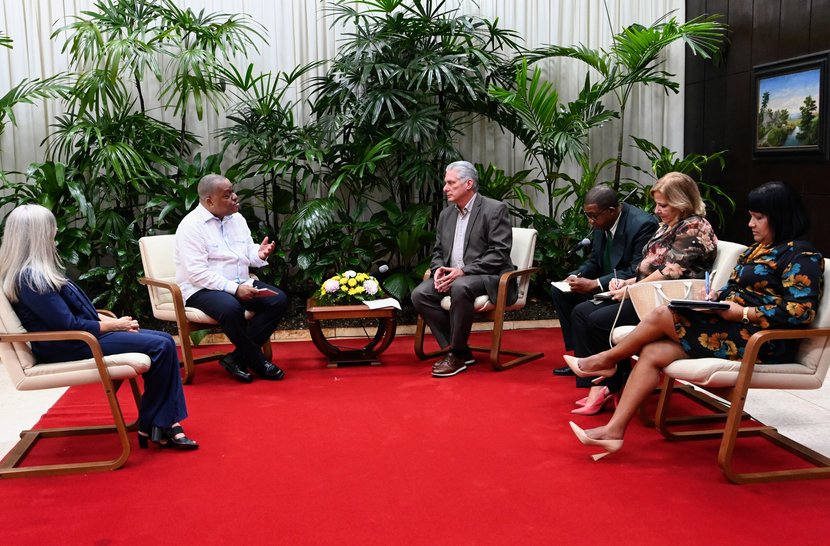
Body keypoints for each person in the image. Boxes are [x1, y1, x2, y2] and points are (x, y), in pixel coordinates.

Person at [565, 181, 824, 458]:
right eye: (751, 216)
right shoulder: (757, 249)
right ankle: (613, 432)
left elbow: (800, 311)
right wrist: (715, 296)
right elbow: (737, 289)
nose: (750, 223)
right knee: (653, 351)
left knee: (665, 313)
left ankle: (606, 360)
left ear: (782, 217)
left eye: (758, 217)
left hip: (763, 341)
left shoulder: (802, 255)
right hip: (732, 329)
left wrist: (744, 313)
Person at [0, 204, 197, 450]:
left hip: (79, 337)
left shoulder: (36, 272)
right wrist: (115, 324)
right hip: (70, 344)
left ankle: (158, 422)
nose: (56, 231)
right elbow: (67, 324)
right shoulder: (31, 279)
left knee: (162, 342)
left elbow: (70, 316)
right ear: (38, 235)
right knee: (161, 344)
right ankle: (160, 423)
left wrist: (110, 324)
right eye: (51, 227)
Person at [569, 172, 717, 415]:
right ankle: (608, 382)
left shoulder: (694, 227)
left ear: (682, 202)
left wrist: (631, 290)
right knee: (582, 312)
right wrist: (626, 282)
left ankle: (612, 381)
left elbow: (669, 271)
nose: (656, 210)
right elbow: (646, 267)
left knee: (596, 320)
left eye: (663, 205)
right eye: (657, 204)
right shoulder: (668, 226)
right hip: (649, 292)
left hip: (669, 301)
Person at [176, 174, 288, 383]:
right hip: (201, 289)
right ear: (209, 201)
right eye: (227, 195)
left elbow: (245, 251)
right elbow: (196, 273)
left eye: (233, 192)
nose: (235, 197)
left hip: (239, 282)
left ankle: (236, 359)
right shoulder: (191, 226)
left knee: (277, 299)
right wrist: (234, 290)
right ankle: (257, 360)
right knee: (230, 308)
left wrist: (258, 253)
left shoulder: (236, 218)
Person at [411, 160, 517, 378]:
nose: (445, 188)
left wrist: (464, 270)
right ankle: (460, 349)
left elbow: (499, 253)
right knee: (420, 293)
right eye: (445, 183)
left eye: (451, 183)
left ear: (468, 184)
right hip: (454, 276)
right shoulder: (445, 215)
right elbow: (439, 251)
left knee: (460, 286)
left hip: (488, 277)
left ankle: (456, 354)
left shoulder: (494, 209)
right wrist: (439, 269)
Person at [551, 185, 659, 376]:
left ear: (611, 211)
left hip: (628, 289)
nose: (591, 221)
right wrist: (579, 275)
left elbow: (638, 270)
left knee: (583, 311)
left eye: (593, 216)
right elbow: (595, 259)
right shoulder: (602, 221)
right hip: (608, 282)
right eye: (588, 215)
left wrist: (594, 284)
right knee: (561, 291)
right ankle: (580, 354)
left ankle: (598, 362)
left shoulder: (642, 225)